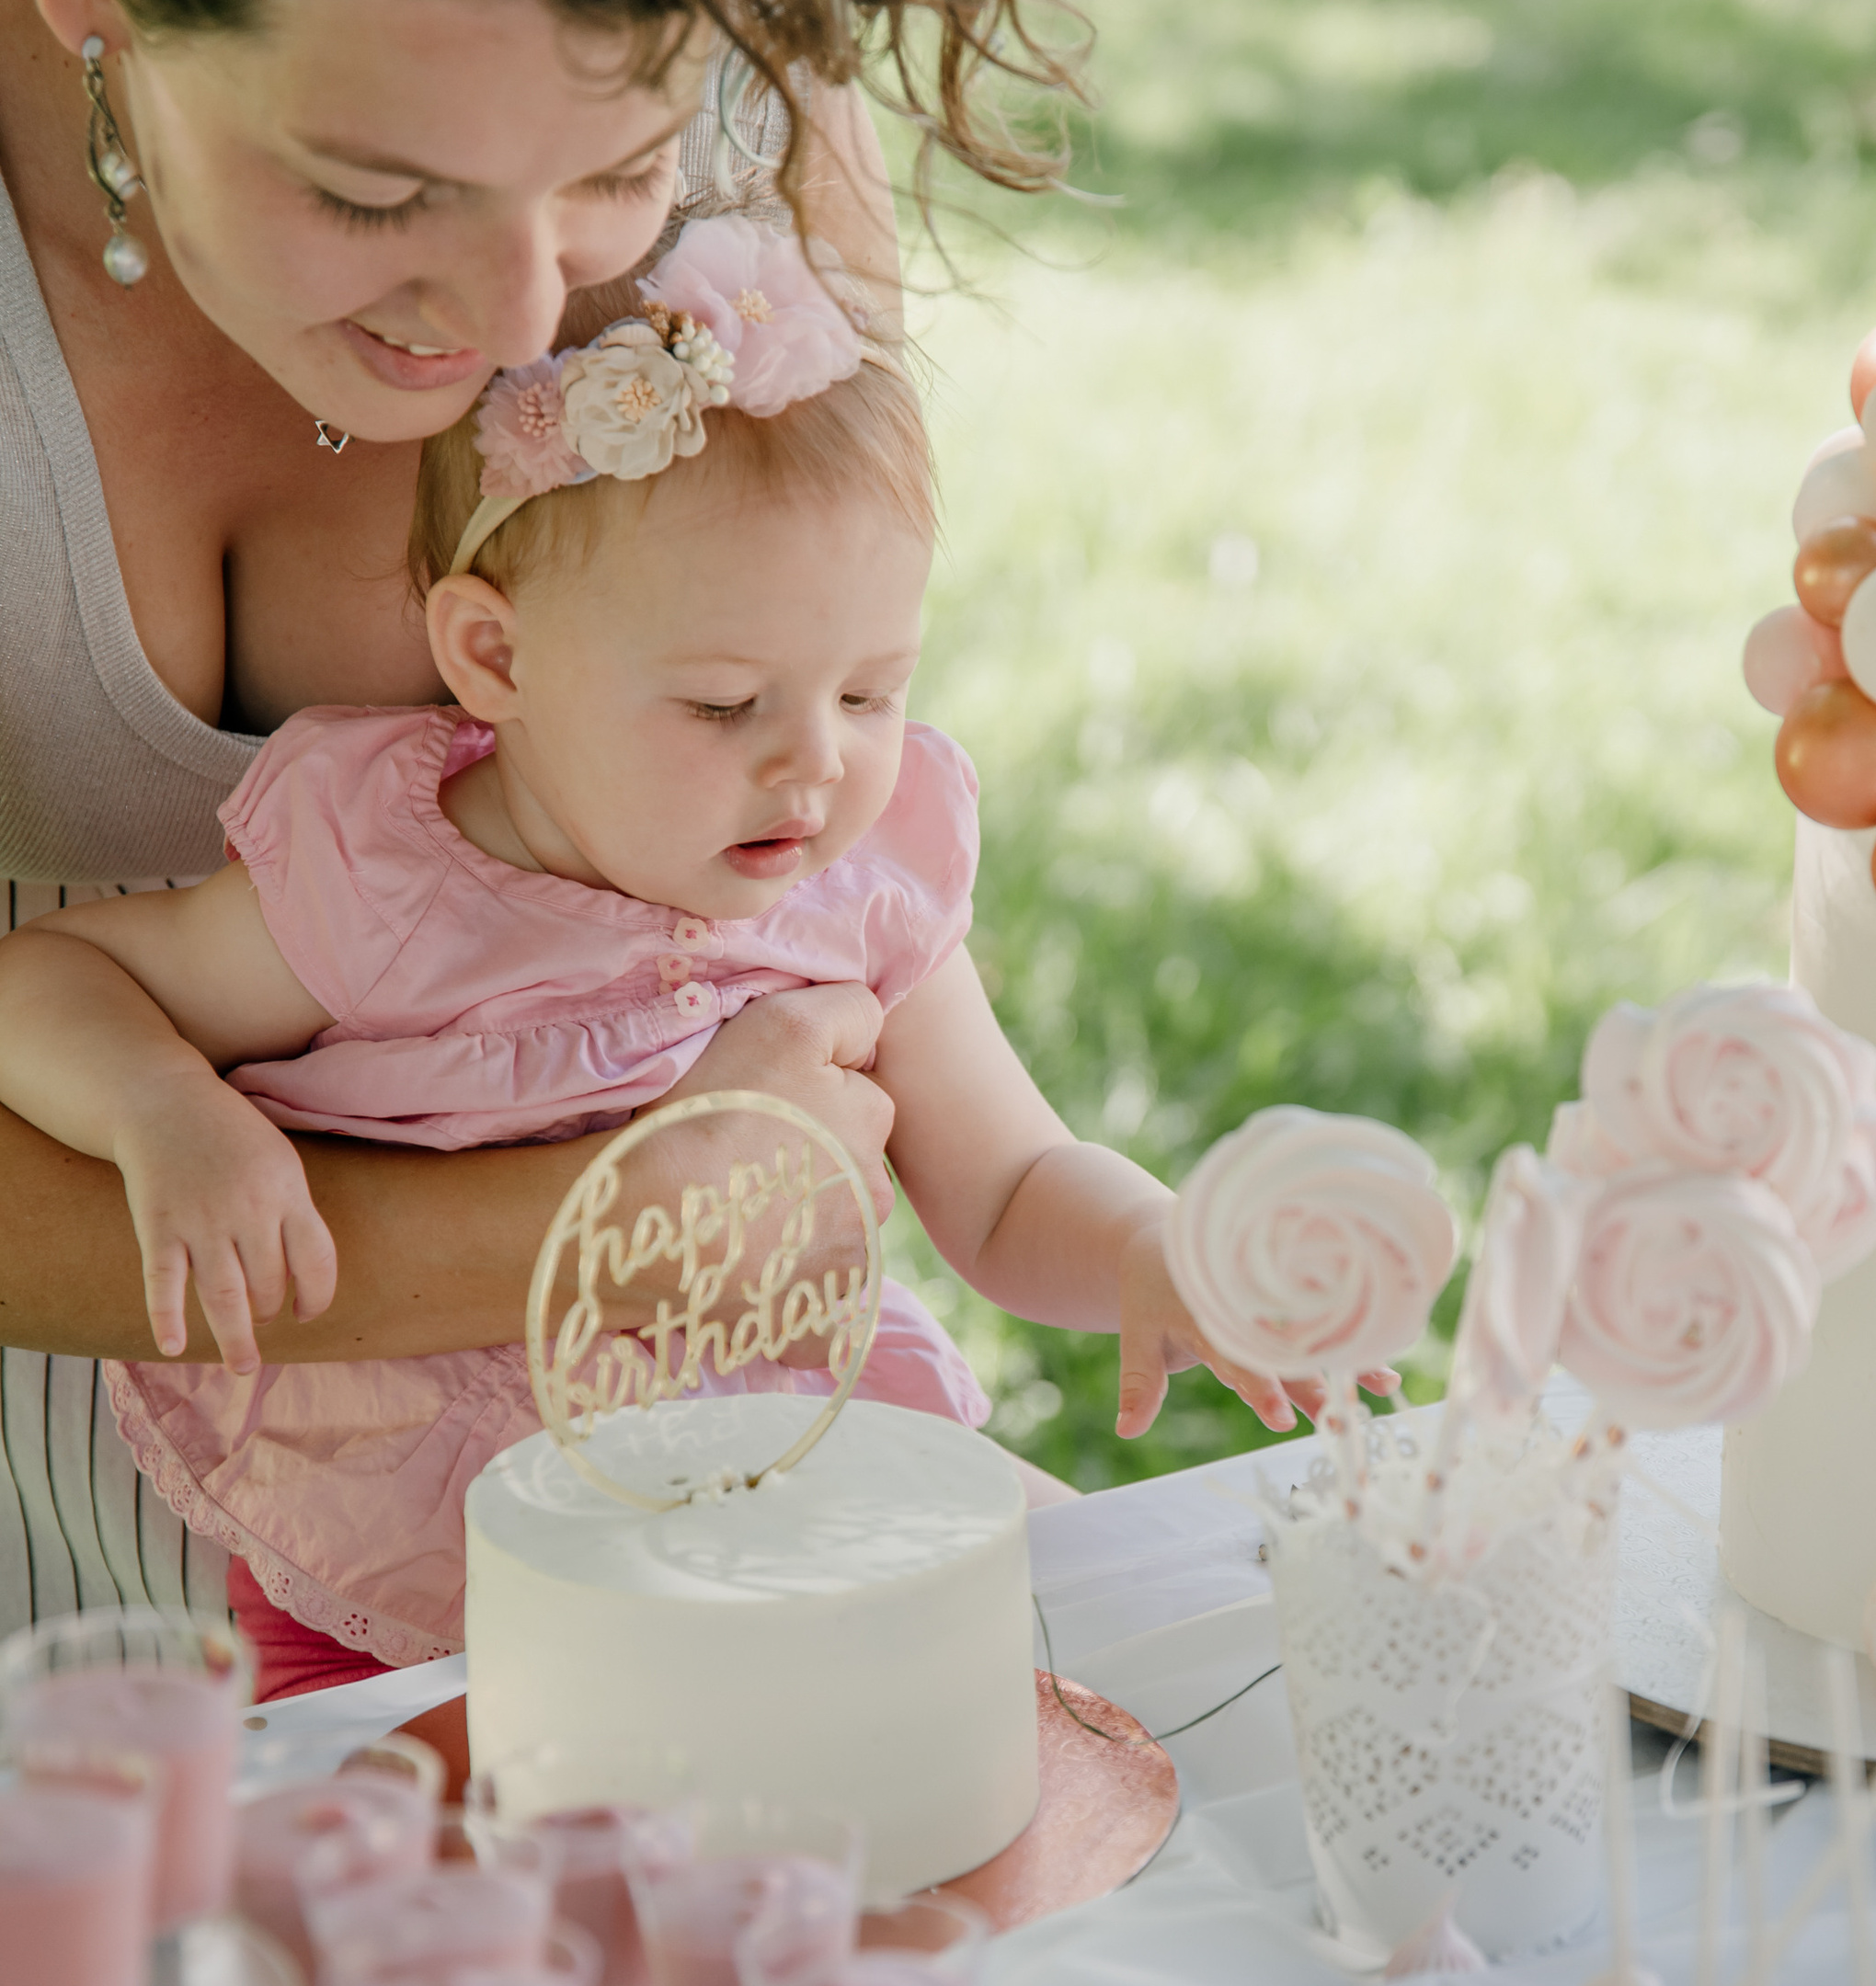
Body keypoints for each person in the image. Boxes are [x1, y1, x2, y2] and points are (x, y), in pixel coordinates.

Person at [0, 219, 1361, 1695]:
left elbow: (1013, 1181)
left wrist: (1151, 1249)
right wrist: (164, 1111)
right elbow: (55, 981)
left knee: (1107, 1669)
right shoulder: (390, 884)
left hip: (790, 1468)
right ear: (496, 660)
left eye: (870, 690)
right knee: (445, 1856)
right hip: (421, 1544)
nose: (815, 767)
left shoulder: (857, 885)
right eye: (723, 707)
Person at [0, 0, 1081, 1641]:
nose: (525, 315)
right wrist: (625, 1223)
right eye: (372, 193)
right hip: (129, 1491)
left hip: (720, 1518)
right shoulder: (350, 884)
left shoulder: (746, 103)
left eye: (621, 171)